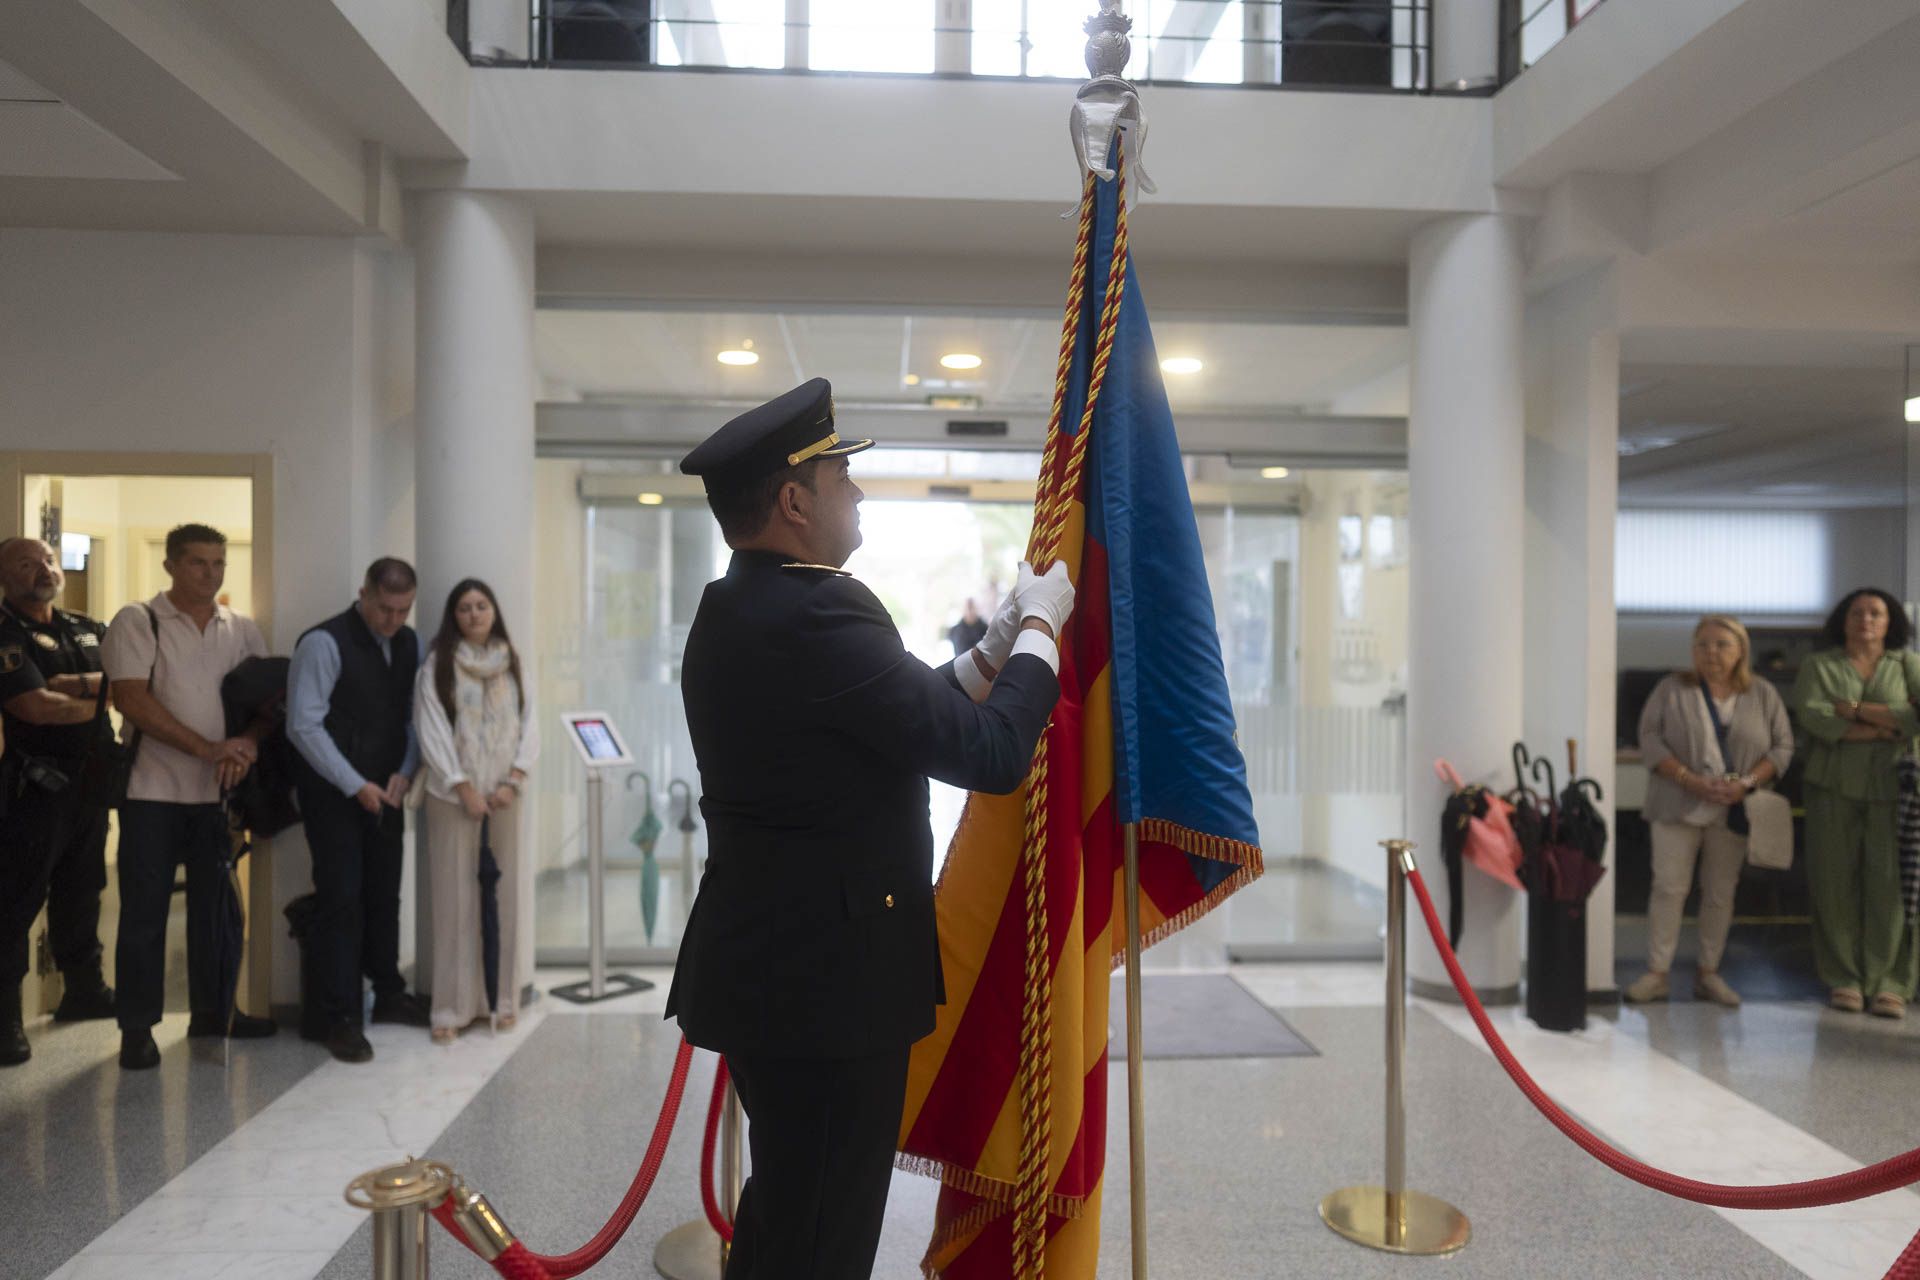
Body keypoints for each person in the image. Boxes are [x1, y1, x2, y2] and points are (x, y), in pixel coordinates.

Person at [666, 377, 1073, 1280]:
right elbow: (993, 755)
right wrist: (1044, 629)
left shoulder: (742, 607)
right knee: (823, 1235)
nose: (856, 494)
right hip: (827, 988)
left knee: (789, 1212)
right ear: (793, 501)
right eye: (841, 477)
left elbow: (887, 712)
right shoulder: (820, 610)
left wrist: (991, 645)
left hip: (777, 968)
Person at [104, 523, 276, 1070]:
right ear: (172, 566)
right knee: (145, 914)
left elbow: (268, 704)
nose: (211, 573)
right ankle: (137, 1028)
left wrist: (245, 745)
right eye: (199, 562)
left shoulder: (242, 629)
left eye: (219, 563)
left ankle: (216, 1012)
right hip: (150, 793)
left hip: (217, 798)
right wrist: (206, 748)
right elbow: (131, 699)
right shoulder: (140, 620)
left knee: (217, 912)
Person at [288, 558, 430, 1063]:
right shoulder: (323, 643)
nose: (394, 620)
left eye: (403, 610)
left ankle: (388, 993)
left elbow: (413, 718)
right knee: (341, 900)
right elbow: (304, 727)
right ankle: (339, 1015)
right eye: (385, 608)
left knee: (383, 895)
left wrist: (407, 769)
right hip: (334, 795)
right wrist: (355, 786)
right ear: (364, 593)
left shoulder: (409, 643)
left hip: (387, 792)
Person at [1627, 615, 1793, 1007]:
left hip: (1733, 809)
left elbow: (1782, 748)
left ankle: (1708, 972)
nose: (1711, 652)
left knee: (1720, 892)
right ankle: (1657, 972)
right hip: (1677, 803)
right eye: (1702, 644)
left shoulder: (1762, 693)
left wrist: (1746, 783)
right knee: (1669, 888)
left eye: (1721, 644)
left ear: (1741, 651)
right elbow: (1649, 739)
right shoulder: (1671, 688)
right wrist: (1689, 779)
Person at [0, 538, 118, 1065]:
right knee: (17, 902)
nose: (43, 570)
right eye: (26, 564)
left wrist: (77, 683)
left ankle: (84, 991)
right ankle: (5, 1021)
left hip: (93, 784)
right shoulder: (5, 631)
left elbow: (142, 685)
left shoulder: (88, 626)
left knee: (84, 887)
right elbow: (33, 707)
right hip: (32, 790)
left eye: (47, 561)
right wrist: (102, 696)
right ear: (4, 577)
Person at [412, 578, 538, 1044]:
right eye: (464, 608)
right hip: (452, 797)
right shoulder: (437, 666)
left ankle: (501, 1001)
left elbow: (531, 722)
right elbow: (431, 728)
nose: (474, 614)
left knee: (506, 900)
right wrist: (461, 785)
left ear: (494, 610)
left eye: (481, 605)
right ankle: (450, 1008)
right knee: (452, 901)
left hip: (506, 794)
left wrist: (515, 779)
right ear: (454, 615)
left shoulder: (513, 664)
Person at [1791, 587, 1920, 1018]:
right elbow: (1813, 716)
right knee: (1834, 883)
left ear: (1890, 623)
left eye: (1876, 613)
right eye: (1857, 612)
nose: (1866, 619)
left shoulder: (1907, 664)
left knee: (1891, 887)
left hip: (1894, 789)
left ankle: (1891, 982)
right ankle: (1844, 978)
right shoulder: (1818, 665)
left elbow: (1915, 719)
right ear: (1843, 621)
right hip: (1831, 786)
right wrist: (1887, 726)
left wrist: (1857, 710)